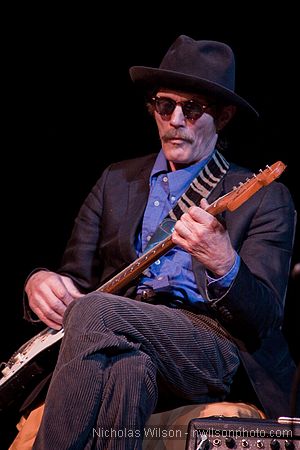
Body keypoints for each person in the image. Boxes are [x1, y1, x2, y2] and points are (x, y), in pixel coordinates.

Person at [24, 35, 296, 449]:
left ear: (221, 118)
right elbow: (72, 278)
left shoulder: (263, 194)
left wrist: (225, 262)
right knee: (128, 369)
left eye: (192, 109)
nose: (175, 120)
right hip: (120, 331)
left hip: (210, 344)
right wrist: (40, 282)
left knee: (96, 311)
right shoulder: (116, 181)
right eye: (165, 106)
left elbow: (265, 318)